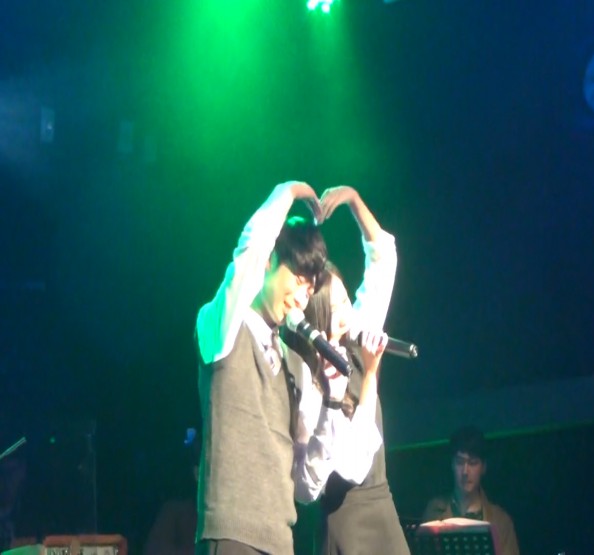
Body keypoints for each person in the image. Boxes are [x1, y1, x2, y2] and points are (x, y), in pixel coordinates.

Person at [195, 181, 352, 555]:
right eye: (297, 280)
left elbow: (307, 487)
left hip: (281, 542)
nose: (301, 298)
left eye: (309, 291)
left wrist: (332, 405)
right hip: (232, 534)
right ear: (269, 263)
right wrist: (289, 191)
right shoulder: (222, 327)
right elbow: (247, 255)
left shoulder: (295, 365)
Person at [284, 185, 409, 555]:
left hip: (382, 506)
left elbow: (383, 260)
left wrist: (354, 200)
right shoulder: (310, 379)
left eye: (346, 300)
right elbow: (354, 464)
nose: (348, 313)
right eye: (337, 306)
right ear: (318, 316)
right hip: (344, 520)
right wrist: (370, 376)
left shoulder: (355, 342)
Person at [422, 426, 520, 555]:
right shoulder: (434, 511)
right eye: (460, 462)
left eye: (473, 463)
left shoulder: (501, 521)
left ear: (483, 467)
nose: (465, 471)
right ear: (452, 464)